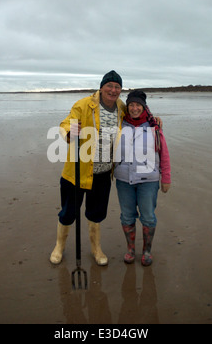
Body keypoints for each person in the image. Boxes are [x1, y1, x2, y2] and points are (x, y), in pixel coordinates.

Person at [50, 70, 125, 266]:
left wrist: (155, 120)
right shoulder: (83, 104)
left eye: (117, 87)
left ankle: (96, 249)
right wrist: (69, 131)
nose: (113, 90)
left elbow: (138, 116)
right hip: (77, 172)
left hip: (103, 174)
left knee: (96, 213)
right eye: (109, 85)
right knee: (68, 213)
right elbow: (65, 123)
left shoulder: (121, 107)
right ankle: (59, 247)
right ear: (101, 87)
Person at [113, 90, 171, 266]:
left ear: (144, 106)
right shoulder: (119, 125)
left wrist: (166, 177)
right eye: (131, 105)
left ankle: (146, 251)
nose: (134, 108)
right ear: (127, 106)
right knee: (127, 216)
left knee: (148, 217)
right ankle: (131, 249)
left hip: (149, 180)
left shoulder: (154, 127)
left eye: (138, 105)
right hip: (124, 180)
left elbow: (164, 154)